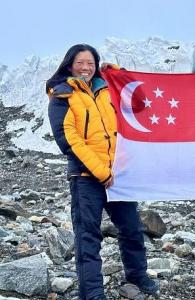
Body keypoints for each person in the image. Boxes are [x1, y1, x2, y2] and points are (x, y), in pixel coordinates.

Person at [46, 44, 159, 300]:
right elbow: (69, 141)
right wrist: (101, 172)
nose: (86, 68)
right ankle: (93, 293)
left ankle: (137, 275)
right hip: (86, 177)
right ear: (69, 65)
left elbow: (140, 105)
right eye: (80, 63)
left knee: (131, 228)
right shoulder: (62, 96)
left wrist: (119, 74)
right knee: (88, 236)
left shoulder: (108, 88)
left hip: (118, 174)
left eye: (90, 63)